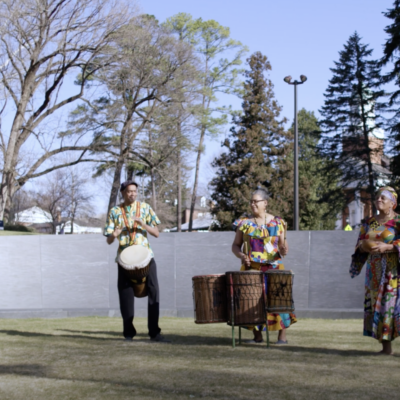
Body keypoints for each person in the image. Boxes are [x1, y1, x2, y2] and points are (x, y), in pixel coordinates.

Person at [104, 180, 169, 342]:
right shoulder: (115, 211)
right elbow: (108, 241)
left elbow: (156, 233)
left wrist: (143, 224)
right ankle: (128, 333)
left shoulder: (145, 208)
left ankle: (154, 332)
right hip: (124, 259)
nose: (132, 194)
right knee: (125, 296)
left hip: (147, 257)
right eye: (129, 191)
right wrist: (115, 234)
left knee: (154, 292)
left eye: (134, 191)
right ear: (123, 193)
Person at [231, 189, 297, 343]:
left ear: (265, 203)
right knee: (252, 301)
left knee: (279, 300)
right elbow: (235, 245)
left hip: (274, 267)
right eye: (251, 201)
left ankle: (282, 337)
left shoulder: (277, 222)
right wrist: (241, 256)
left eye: (256, 201)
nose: (253, 204)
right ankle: (257, 336)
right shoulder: (244, 223)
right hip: (252, 268)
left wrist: (284, 249)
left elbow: (283, 245)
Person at [350, 186, 400, 355]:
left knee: (390, 307)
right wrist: (364, 247)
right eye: (377, 197)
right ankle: (386, 348)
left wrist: (389, 246)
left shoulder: (398, 222)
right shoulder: (370, 222)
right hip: (374, 272)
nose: (378, 200)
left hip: (393, 272)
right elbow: (360, 243)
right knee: (378, 308)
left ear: (392, 203)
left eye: (383, 198)